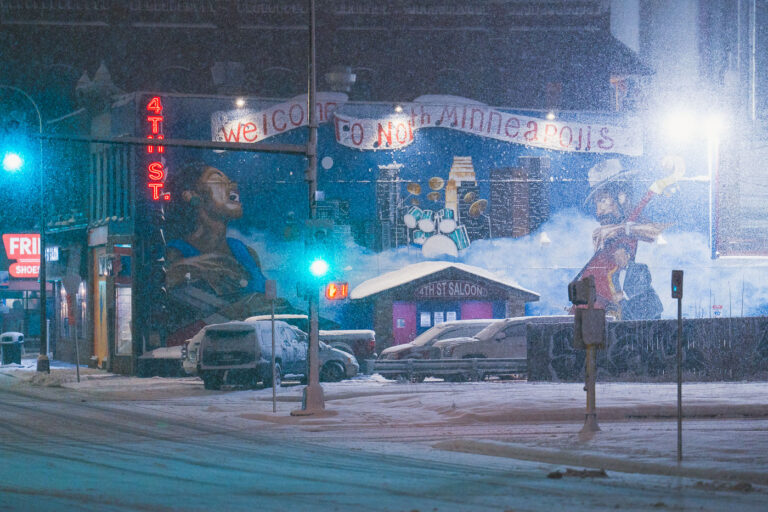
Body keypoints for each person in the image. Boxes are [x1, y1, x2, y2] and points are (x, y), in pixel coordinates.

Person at [164, 161, 297, 344]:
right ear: (192, 196)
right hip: (220, 345)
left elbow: (266, 300)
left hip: (265, 340)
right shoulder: (177, 252)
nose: (232, 186)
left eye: (230, 181)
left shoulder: (245, 251)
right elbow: (177, 323)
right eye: (218, 180)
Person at [609, 243, 663, 320]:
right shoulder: (614, 276)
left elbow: (643, 285)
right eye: (616, 255)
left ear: (628, 256)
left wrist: (623, 294)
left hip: (650, 313)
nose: (618, 258)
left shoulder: (641, 268)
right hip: (631, 317)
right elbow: (622, 300)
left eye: (620, 255)